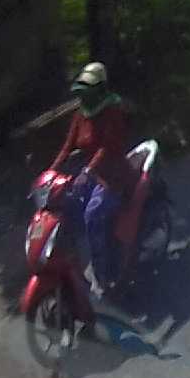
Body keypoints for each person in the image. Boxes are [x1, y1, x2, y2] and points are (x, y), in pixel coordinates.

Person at [50, 62, 131, 293]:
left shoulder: (112, 110)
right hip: (91, 174)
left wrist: (88, 171)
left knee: (92, 215)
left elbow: (107, 146)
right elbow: (68, 146)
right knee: (66, 208)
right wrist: (52, 170)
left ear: (101, 88)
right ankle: (76, 261)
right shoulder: (82, 114)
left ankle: (102, 274)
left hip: (113, 175)